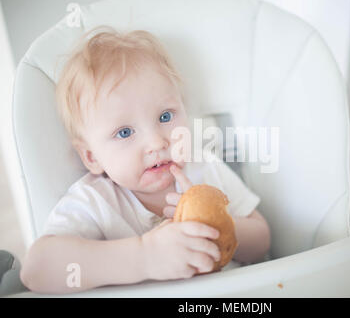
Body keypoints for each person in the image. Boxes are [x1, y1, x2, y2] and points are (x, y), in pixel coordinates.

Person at [19, 27, 271, 294]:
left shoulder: (206, 169)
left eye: (165, 116)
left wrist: (221, 229)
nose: (156, 143)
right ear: (92, 157)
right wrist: (144, 257)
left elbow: (263, 240)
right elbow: (37, 270)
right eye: (124, 132)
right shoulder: (95, 203)